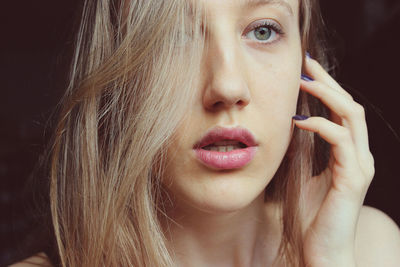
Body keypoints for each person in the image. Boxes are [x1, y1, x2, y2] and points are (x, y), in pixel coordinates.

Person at [10, 0, 400, 266]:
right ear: (116, 76)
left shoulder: (369, 247)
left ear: (306, 59)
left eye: (263, 31)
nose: (227, 87)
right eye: (171, 36)